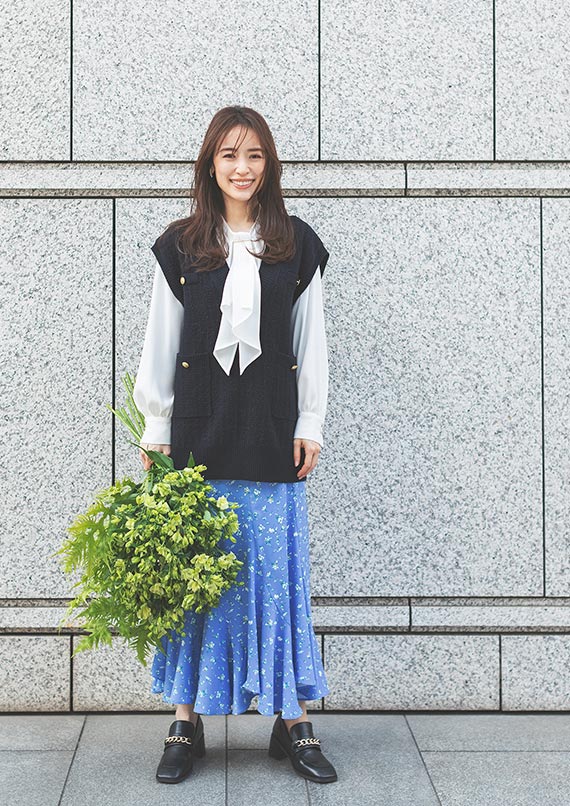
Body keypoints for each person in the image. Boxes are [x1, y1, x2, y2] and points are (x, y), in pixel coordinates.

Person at [133, 105, 337, 786]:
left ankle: (294, 720)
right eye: (229, 155)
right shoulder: (181, 246)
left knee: (276, 580)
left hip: (273, 428)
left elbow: (311, 341)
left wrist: (311, 421)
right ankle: (185, 721)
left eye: (254, 155)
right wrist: (156, 428)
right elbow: (161, 341)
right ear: (210, 164)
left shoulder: (296, 246)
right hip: (200, 431)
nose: (242, 168)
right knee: (197, 578)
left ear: (269, 165)